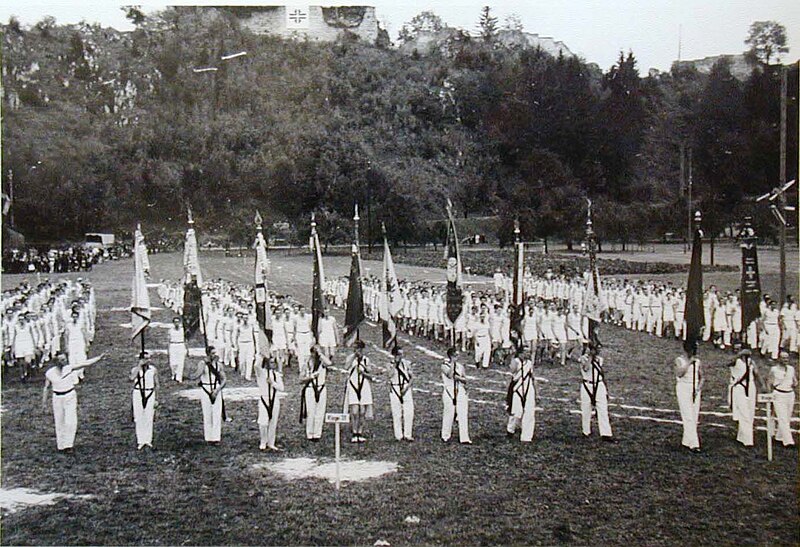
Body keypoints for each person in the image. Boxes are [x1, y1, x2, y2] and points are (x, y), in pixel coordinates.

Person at [42, 352, 101, 451]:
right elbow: (46, 388)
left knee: (70, 421)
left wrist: (98, 358)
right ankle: (61, 445)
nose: (64, 361)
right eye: (61, 360)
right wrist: (44, 403)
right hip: (57, 398)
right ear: (56, 362)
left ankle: (68, 444)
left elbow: (85, 364)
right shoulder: (50, 373)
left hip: (70, 396)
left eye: (64, 359)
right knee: (59, 421)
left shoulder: (68, 368)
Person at [187, 346, 227, 445]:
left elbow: (224, 379)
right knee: (207, 413)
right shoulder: (202, 364)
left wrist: (217, 390)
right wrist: (203, 364)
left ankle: (216, 437)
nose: (215, 355)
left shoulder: (219, 365)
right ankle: (209, 437)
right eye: (212, 353)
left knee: (217, 414)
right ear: (208, 354)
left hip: (216, 389)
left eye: (215, 353)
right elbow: (196, 375)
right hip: (205, 389)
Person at [578, 344, 613, 440]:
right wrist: (590, 356)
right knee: (586, 409)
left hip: (598, 384)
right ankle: (586, 431)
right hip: (586, 385)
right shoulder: (582, 359)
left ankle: (606, 433)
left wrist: (593, 356)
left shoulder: (599, 359)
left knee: (602, 408)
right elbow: (586, 368)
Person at [344, 340, 374, 443]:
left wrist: (363, 369)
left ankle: (360, 432)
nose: (356, 350)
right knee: (355, 411)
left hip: (364, 385)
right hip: (353, 385)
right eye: (354, 348)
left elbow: (370, 373)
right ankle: (354, 431)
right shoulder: (350, 358)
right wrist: (354, 357)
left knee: (362, 411)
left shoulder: (366, 360)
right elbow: (346, 367)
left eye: (358, 348)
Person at [674, 344, 703, 452]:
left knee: (694, 416)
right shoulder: (679, 360)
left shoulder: (698, 362)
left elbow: (702, 377)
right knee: (688, 416)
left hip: (695, 389)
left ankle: (686, 441)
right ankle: (694, 444)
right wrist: (689, 363)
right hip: (683, 388)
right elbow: (679, 373)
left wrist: (698, 388)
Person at [300, 345, 331, 441]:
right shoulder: (307, 364)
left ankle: (317, 433)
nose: (314, 355)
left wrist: (321, 353)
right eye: (313, 353)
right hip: (310, 388)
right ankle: (310, 433)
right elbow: (301, 379)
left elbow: (329, 363)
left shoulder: (322, 363)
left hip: (321, 387)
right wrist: (311, 377)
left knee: (320, 412)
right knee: (311, 411)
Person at [728, 346, 756, 447]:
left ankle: (741, 436)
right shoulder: (735, 360)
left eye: (740, 348)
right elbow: (728, 362)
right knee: (744, 412)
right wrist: (739, 354)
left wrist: (764, 386)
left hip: (751, 387)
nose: (738, 350)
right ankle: (748, 440)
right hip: (739, 387)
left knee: (750, 412)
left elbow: (756, 373)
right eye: (736, 348)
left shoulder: (750, 361)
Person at [255, 355, 285, 451]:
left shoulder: (276, 375)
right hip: (264, 398)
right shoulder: (261, 373)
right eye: (270, 362)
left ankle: (271, 442)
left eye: (273, 362)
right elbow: (256, 366)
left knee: (273, 422)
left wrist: (272, 383)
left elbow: (281, 388)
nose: (272, 364)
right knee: (263, 422)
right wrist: (262, 355)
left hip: (274, 399)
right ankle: (263, 441)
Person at [441, 347, 471, 444]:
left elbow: (465, 379)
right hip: (449, 390)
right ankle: (445, 435)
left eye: (457, 356)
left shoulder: (460, 366)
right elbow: (449, 375)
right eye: (455, 356)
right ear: (451, 356)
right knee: (448, 413)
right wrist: (453, 364)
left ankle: (464, 437)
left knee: (462, 414)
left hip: (460, 390)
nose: (457, 357)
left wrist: (465, 386)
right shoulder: (444, 365)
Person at [130, 353, 159, 450]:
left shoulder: (153, 369)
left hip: (150, 393)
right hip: (138, 393)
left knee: (149, 416)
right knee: (139, 417)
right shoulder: (135, 369)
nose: (148, 360)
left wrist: (156, 398)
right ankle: (141, 440)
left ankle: (148, 440)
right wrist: (139, 366)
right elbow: (131, 378)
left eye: (149, 358)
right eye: (145, 359)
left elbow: (157, 384)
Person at [506, 346, 536, 442]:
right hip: (517, 389)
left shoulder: (530, 363)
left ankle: (527, 436)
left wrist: (536, 391)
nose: (528, 354)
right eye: (526, 352)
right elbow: (512, 371)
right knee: (517, 412)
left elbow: (532, 376)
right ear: (521, 353)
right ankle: (510, 429)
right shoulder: (516, 361)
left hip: (529, 387)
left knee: (529, 412)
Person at [769, 351, 797, 447]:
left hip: (790, 394)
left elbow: (795, 381)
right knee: (782, 417)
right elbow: (769, 383)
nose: (786, 360)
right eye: (784, 358)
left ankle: (779, 437)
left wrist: (794, 384)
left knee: (787, 417)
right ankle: (789, 441)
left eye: (787, 358)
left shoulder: (791, 369)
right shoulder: (774, 369)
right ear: (779, 359)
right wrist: (770, 397)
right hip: (778, 394)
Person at [388, 346, 414, 442]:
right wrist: (395, 365)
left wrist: (406, 388)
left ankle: (408, 434)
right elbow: (390, 375)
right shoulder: (390, 364)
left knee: (409, 412)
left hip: (405, 387)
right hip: (395, 387)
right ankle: (398, 434)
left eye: (402, 354)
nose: (401, 356)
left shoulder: (407, 364)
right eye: (399, 354)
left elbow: (411, 378)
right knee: (396, 413)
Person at [167, 316, 187, 382]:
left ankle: (179, 377)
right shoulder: (170, 330)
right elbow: (168, 340)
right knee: (173, 362)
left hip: (181, 345)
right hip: (173, 345)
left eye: (178, 322)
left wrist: (187, 349)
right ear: (173, 323)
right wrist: (168, 349)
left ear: (180, 322)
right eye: (175, 322)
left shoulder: (183, 330)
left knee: (180, 362)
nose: (176, 323)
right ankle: (174, 374)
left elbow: (185, 340)